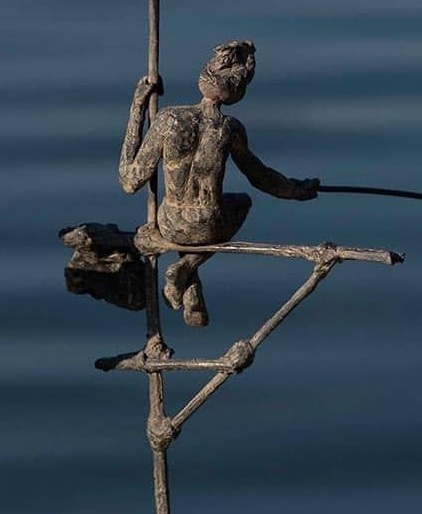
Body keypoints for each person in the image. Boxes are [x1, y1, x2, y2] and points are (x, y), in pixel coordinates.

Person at [118, 40, 318, 327]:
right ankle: (186, 271)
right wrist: (296, 190)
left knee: (186, 228)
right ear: (236, 93)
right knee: (241, 203)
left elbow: (129, 181)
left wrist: (136, 109)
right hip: (210, 224)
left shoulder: (168, 119)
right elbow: (259, 176)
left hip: (170, 221)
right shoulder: (229, 128)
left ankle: (188, 281)